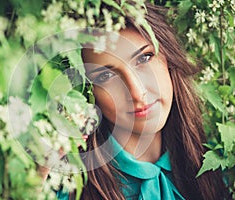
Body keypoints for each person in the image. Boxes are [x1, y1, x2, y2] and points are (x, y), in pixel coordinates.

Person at [41, 2, 230, 200]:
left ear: (168, 55)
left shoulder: (218, 163)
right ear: (87, 92)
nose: (137, 93)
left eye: (144, 59)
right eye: (105, 77)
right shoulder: (64, 188)